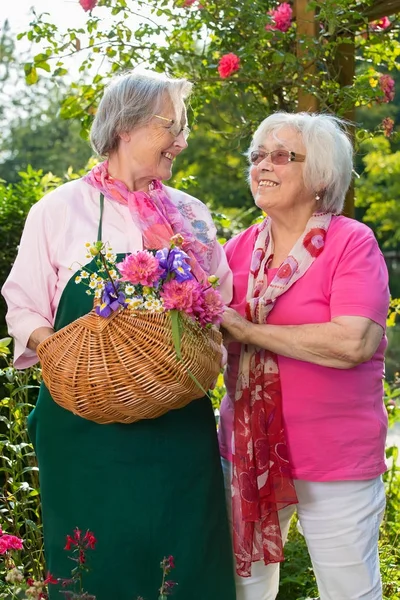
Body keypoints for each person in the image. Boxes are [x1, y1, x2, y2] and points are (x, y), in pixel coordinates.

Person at [2, 70, 236, 600]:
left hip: (177, 427)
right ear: (126, 127)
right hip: (85, 431)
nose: (182, 139)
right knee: (97, 566)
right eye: (171, 126)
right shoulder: (59, 211)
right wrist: (58, 348)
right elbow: (23, 306)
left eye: (184, 126)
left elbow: (220, 306)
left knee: (186, 563)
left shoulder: (192, 216)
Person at [219, 112, 390, 600]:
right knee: (243, 591)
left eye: (280, 155)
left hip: (334, 459)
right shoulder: (237, 252)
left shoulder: (350, 243)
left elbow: (351, 342)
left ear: (320, 175)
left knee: (348, 591)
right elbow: (211, 342)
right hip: (247, 452)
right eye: (257, 156)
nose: (261, 166)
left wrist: (250, 331)